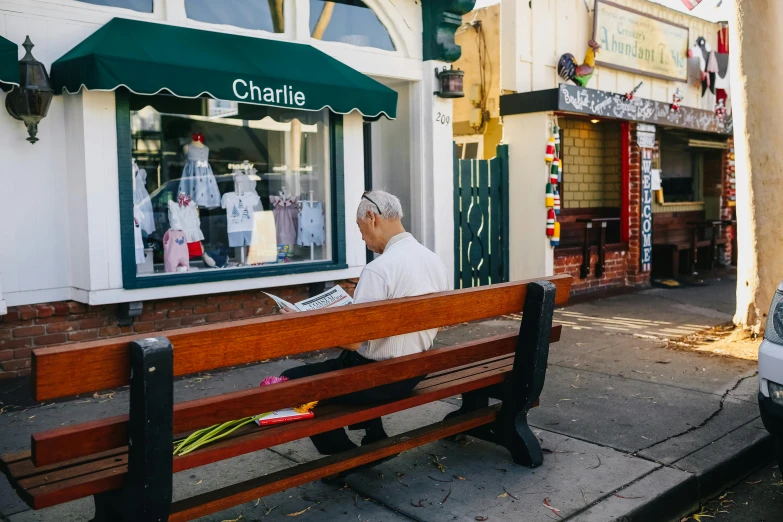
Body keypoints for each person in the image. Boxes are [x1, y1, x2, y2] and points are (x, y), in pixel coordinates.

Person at [280, 190, 449, 456]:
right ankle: (374, 434)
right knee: (346, 365)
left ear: (372, 217)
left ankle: (343, 456)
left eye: (360, 229)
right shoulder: (433, 260)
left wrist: (306, 322)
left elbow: (353, 342)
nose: (362, 237)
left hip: (375, 380)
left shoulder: (379, 269)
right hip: (415, 370)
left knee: (289, 381)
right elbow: (438, 325)